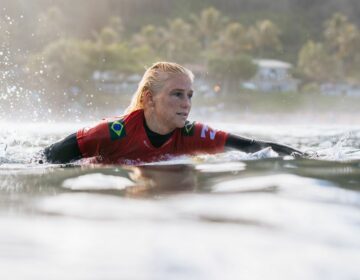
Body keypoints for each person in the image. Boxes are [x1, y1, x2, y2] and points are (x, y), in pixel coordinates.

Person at [43, 61, 303, 164]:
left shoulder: (196, 133)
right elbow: (45, 160)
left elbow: (254, 147)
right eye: (177, 94)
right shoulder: (112, 132)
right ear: (149, 99)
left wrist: (306, 157)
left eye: (189, 95)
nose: (186, 103)